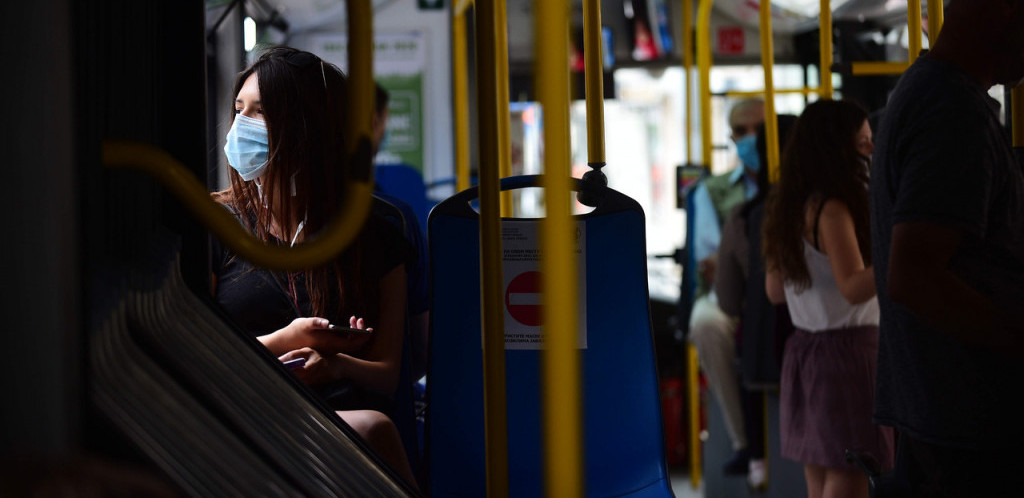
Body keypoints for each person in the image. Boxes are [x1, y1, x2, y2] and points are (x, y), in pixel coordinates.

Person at [209, 46, 416, 487]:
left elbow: (388, 374)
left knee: (376, 429)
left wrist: (335, 363)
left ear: (308, 129)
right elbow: (199, 357)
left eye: (260, 112)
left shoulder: (376, 235)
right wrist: (289, 338)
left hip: (334, 415)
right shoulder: (213, 224)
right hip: (239, 411)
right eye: (238, 110)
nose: (241, 125)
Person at [869, 0, 1024, 494]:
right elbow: (915, 275)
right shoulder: (953, 112)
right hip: (967, 425)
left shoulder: (924, 94)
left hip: (938, 416)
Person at [762, 100, 894, 498]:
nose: (872, 151)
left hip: (804, 353)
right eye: (865, 143)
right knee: (852, 473)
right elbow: (853, 287)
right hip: (848, 356)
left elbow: (774, 291)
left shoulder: (787, 206)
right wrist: (898, 249)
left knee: (819, 475)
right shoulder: (835, 210)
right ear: (838, 148)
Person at [712, 114, 797, 489]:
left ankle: (752, 452)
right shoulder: (836, 209)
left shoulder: (744, 217)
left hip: (761, 354)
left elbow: (728, 300)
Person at [686, 97, 765, 475]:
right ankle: (744, 441)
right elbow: (713, 263)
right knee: (707, 324)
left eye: (759, 130)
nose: (750, 138)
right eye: (740, 130)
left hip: (777, 288)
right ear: (730, 138)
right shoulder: (711, 191)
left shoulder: (794, 184)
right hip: (728, 293)